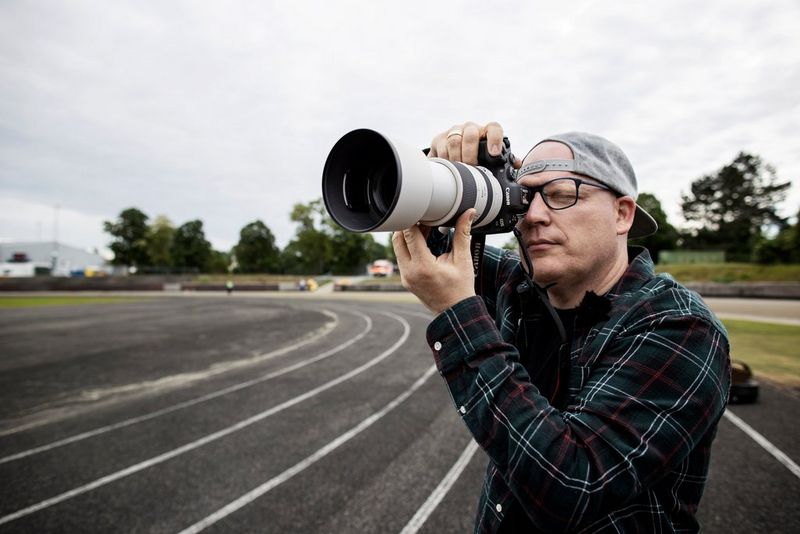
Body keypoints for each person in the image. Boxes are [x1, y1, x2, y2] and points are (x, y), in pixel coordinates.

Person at [392, 122, 731, 533]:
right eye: (524, 198)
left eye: (560, 194)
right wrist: (437, 168)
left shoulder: (679, 327)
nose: (533, 216)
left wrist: (458, 312)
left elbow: (574, 485)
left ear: (622, 214)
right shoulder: (521, 289)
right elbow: (430, 244)